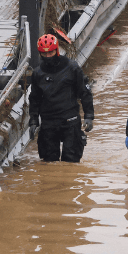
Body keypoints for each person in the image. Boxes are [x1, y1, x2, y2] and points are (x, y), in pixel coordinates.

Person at [28, 34, 94, 163]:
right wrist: (33, 120)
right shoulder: (37, 73)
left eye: (51, 53)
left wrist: (89, 116)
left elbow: (85, 92)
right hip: (48, 123)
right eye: (44, 54)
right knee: (49, 161)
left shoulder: (73, 68)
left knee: (71, 160)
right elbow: (34, 98)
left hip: (70, 120)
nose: (48, 57)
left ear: (57, 50)